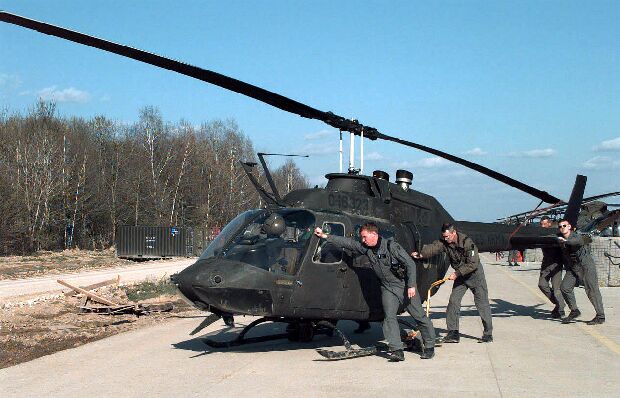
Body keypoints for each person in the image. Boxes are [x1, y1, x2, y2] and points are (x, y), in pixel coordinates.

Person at [314, 222, 436, 361]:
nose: (363, 240)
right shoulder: (367, 249)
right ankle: (397, 350)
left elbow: (410, 264)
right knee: (389, 317)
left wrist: (412, 286)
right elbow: (348, 243)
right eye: (362, 238)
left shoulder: (392, 247)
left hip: (404, 287)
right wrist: (325, 236)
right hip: (387, 288)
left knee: (419, 316)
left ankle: (430, 346)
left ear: (374, 234)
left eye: (365, 237)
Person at [412, 223, 493, 343]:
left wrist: (457, 274)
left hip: (474, 276)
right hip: (461, 277)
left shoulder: (467, 243)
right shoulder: (445, 242)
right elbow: (434, 248)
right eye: (444, 237)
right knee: (453, 302)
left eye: (447, 236)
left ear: (453, 233)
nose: (445, 239)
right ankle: (453, 333)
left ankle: (488, 334)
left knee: (482, 304)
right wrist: (421, 254)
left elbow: (473, 264)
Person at [558, 219, 605, 325]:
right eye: (560, 226)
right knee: (565, 287)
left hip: (586, 266)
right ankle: (574, 310)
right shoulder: (560, 238)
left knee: (592, 290)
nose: (562, 228)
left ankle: (600, 316)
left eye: (564, 226)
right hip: (573, 267)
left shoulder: (576, 236)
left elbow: (577, 241)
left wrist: (565, 241)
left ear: (569, 226)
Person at [538, 216, 565, 319]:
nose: (542, 226)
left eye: (544, 224)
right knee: (542, 284)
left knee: (556, 287)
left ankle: (560, 309)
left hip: (556, 263)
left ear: (549, 224)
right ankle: (558, 303)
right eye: (541, 224)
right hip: (546, 263)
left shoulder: (556, 234)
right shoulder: (540, 234)